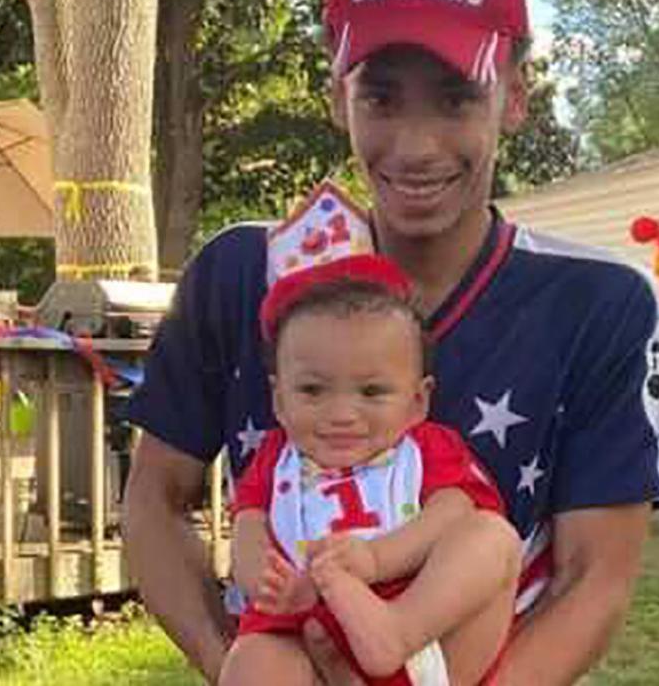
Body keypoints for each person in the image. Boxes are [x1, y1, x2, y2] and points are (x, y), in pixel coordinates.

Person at [122, 0, 659, 685]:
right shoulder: (242, 272)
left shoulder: (604, 305)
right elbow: (153, 498)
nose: (416, 145)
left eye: (456, 97)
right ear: (335, 94)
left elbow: (596, 577)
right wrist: (237, 666)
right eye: (381, 96)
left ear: (514, 97)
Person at [221, 255, 518, 686]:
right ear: (278, 399)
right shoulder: (275, 456)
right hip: (298, 625)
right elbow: (249, 523)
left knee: (493, 535)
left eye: (372, 391)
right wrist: (264, 582)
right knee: (253, 660)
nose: (342, 413)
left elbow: (454, 510)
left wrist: (376, 560)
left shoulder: (426, 448)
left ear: (418, 400)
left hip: (412, 620)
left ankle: (399, 629)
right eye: (312, 390)